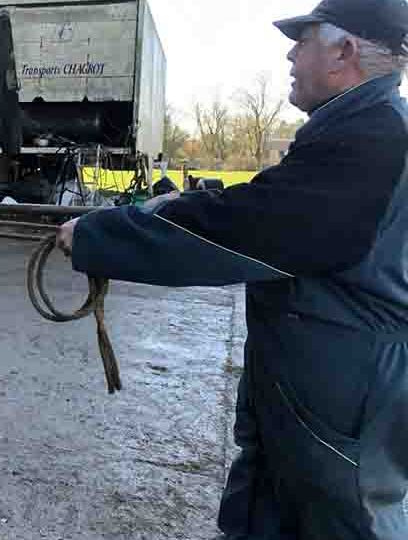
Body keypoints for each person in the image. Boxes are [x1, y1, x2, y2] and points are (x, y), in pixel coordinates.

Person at [57, 1, 408, 538]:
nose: (291, 53)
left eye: (304, 39)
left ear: (344, 51)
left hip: (348, 395)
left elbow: (254, 228)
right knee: (271, 511)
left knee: (347, 520)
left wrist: (98, 236)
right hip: (322, 382)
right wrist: (173, 207)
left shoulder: (372, 139)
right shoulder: (364, 130)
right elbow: (278, 206)